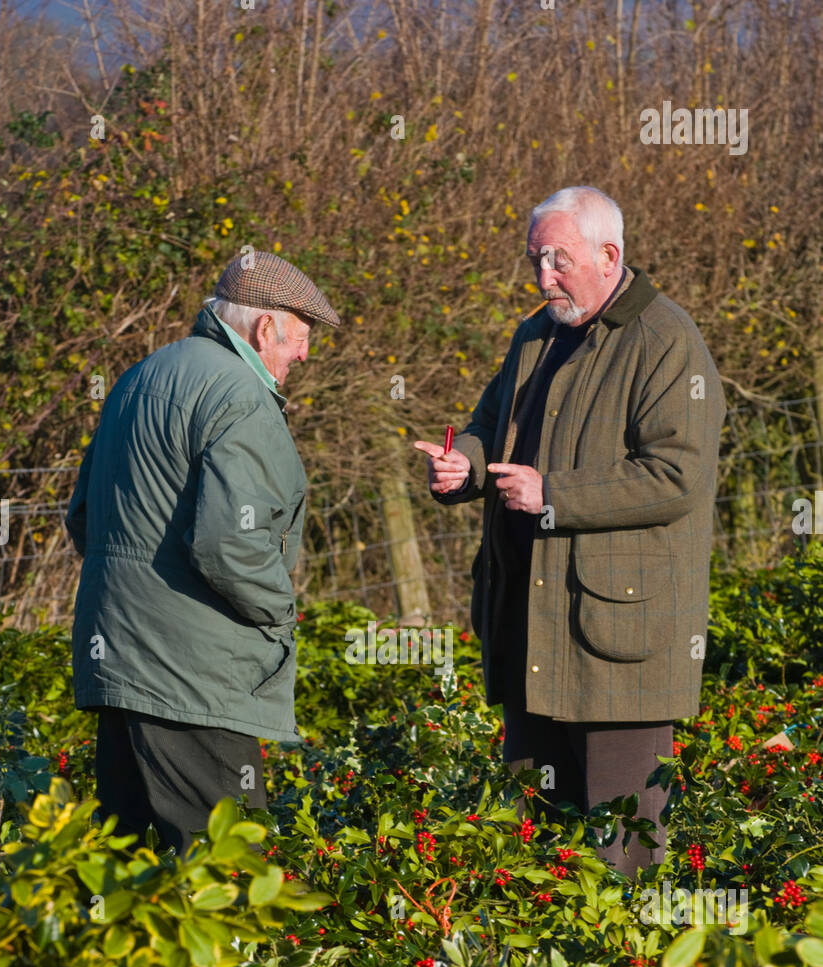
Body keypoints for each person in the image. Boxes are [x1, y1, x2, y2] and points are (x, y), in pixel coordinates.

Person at [415, 186, 724, 876]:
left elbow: (677, 477)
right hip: (532, 624)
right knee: (533, 840)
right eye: (535, 261)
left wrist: (553, 493)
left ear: (609, 256)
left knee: (624, 848)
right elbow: (488, 425)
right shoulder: (535, 335)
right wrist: (459, 466)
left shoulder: (666, 341)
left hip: (619, 642)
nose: (541, 278)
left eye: (557, 261)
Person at [66, 251, 340, 856]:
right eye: (300, 339)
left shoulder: (139, 377)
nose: (303, 355)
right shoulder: (240, 396)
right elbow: (229, 546)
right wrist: (281, 613)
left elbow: (83, 517)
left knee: (130, 876)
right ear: (264, 328)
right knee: (226, 875)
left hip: (117, 667)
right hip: (194, 679)